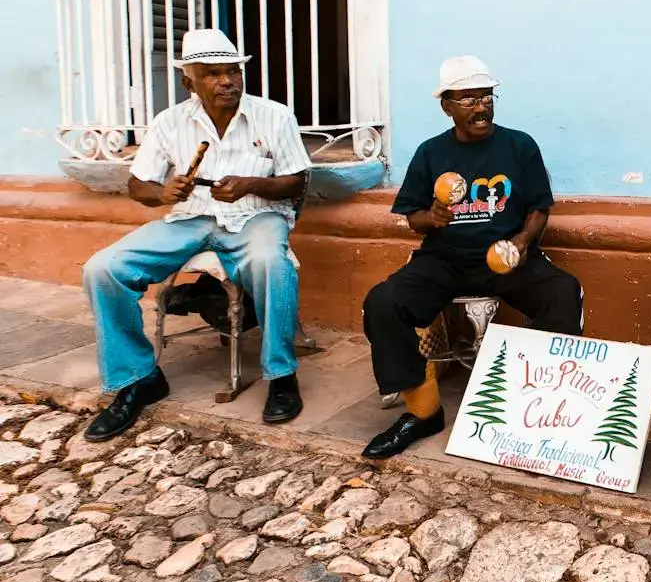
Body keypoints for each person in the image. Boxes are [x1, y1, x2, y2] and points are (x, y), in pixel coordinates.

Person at [81, 28, 311, 441]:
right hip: (191, 218)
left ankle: (281, 375)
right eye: (212, 74)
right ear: (189, 82)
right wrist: (162, 192)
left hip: (255, 215)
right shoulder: (169, 122)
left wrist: (251, 184)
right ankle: (138, 378)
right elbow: (140, 187)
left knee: (270, 263)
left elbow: (296, 181)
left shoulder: (274, 115)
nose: (227, 81)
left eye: (233, 72)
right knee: (103, 268)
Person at [360, 55, 584, 459]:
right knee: (383, 302)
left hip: (506, 258)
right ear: (447, 105)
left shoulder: (519, 145)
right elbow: (413, 217)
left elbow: (538, 208)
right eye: (467, 99)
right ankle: (423, 411)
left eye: (486, 97)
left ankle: (534, 407)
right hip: (444, 261)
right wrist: (433, 216)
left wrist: (521, 242)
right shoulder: (431, 153)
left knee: (562, 292)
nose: (480, 106)